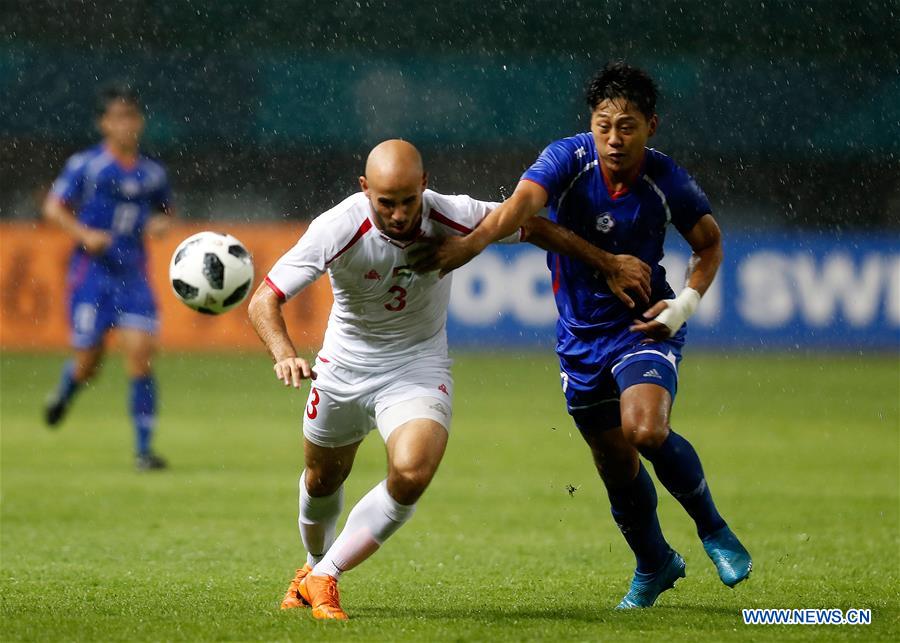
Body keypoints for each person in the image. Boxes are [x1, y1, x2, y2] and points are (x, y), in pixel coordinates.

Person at [248, 139, 651, 620]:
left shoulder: (455, 213)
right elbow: (263, 300)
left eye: (407, 200)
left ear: (423, 184)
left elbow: (534, 226)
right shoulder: (336, 227)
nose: (398, 214)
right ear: (364, 189)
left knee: (413, 472)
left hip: (416, 367)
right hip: (342, 368)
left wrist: (607, 263)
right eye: (385, 202)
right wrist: (285, 353)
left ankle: (326, 575)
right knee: (321, 479)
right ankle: (312, 568)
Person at [413, 62, 751, 609]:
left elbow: (709, 245)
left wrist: (683, 306)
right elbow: (522, 209)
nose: (614, 139)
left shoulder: (667, 181)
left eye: (628, 126)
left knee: (644, 431)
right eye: (604, 125)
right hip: (579, 339)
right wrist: (470, 246)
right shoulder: (568, 158)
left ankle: (713, 529)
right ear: (590, 124)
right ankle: (654, 564)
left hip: (643, 325)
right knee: (615, 465)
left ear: (652, 126)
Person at [42, 83, 173, 471]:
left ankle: (144, 451)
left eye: (130, 116)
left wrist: (160, 225)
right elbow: (54, 206)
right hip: (92, 275)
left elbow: (165, 211)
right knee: (88, 364)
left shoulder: (152, 173)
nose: (124, 124)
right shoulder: (87, 165)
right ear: (104, 123)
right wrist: (84, 235)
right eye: (116, 117)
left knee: (140, 356)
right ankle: (66, 390)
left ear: (140, 121)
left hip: (133, 275)